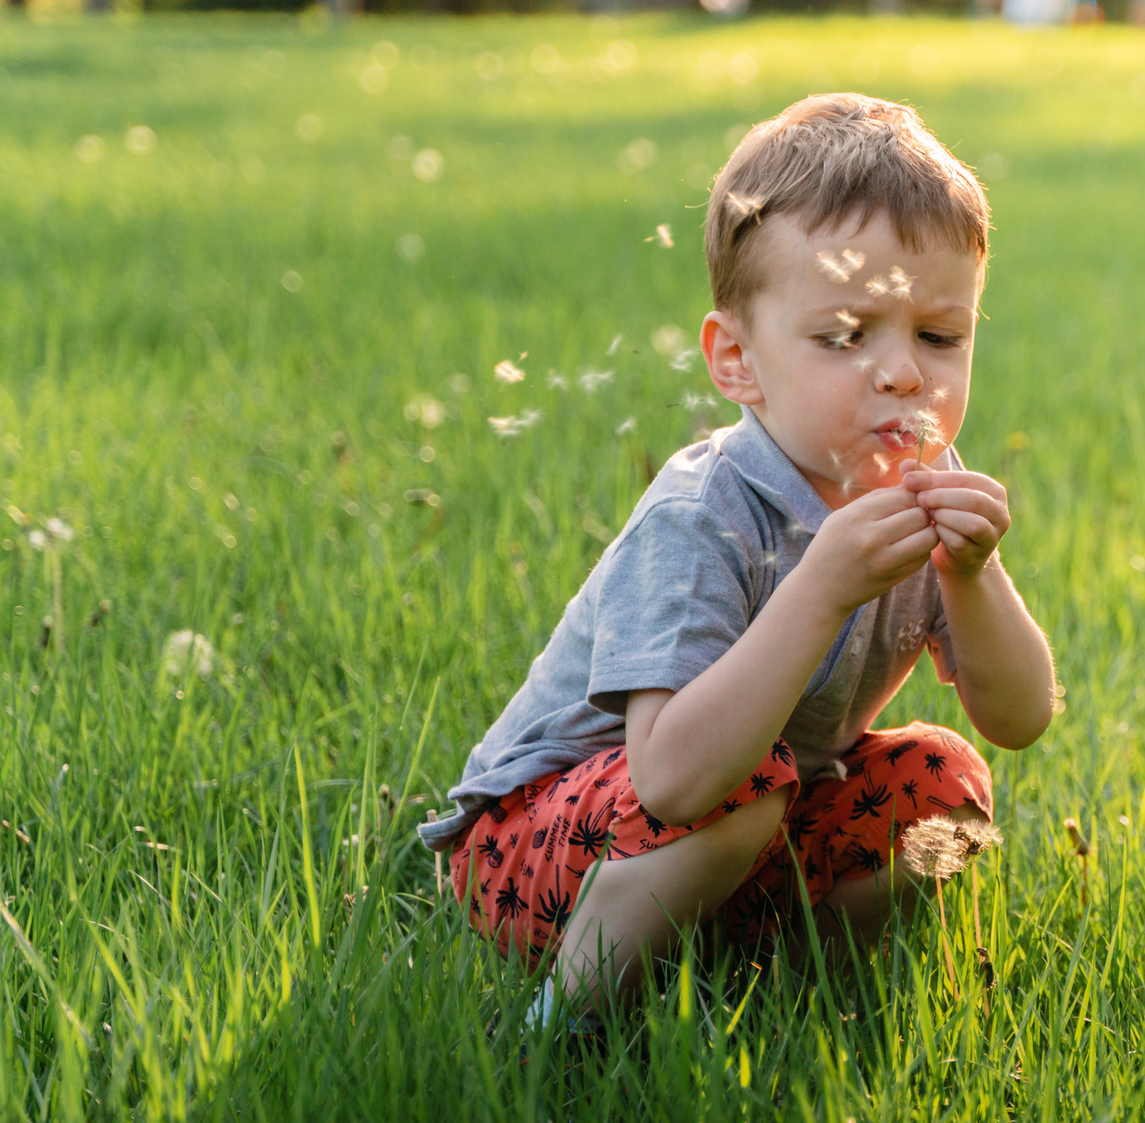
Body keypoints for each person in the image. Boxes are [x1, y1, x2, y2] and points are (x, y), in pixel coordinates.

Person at [426, 94, 1057, 1022]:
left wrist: (972, 574)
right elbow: (675, 776)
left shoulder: (919, 487)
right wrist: (822, 587)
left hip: (736, 823)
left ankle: (782, 993)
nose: (904, 372)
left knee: (945, 787)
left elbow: (1021, 716)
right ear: (738, 362)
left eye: (939, 335)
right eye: (846, 335)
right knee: (748, 779)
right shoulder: (703, 515)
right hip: (537, 849)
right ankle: (561, 1029)